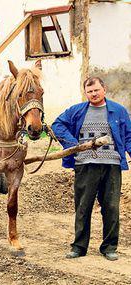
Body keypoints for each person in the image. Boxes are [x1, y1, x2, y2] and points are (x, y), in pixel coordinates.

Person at [52, 77, 131, 261]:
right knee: (83, 207)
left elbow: (128, 136)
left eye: (96, 90)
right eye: (90, 91)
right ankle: (79, 247)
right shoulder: (77, 110)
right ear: (85, 93)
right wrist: (74, 144)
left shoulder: (118, 110)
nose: (93, 94)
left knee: (111, 208)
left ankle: (109, 247)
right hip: (85, 165)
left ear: (104, 89)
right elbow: (57, 125)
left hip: (111, 165)